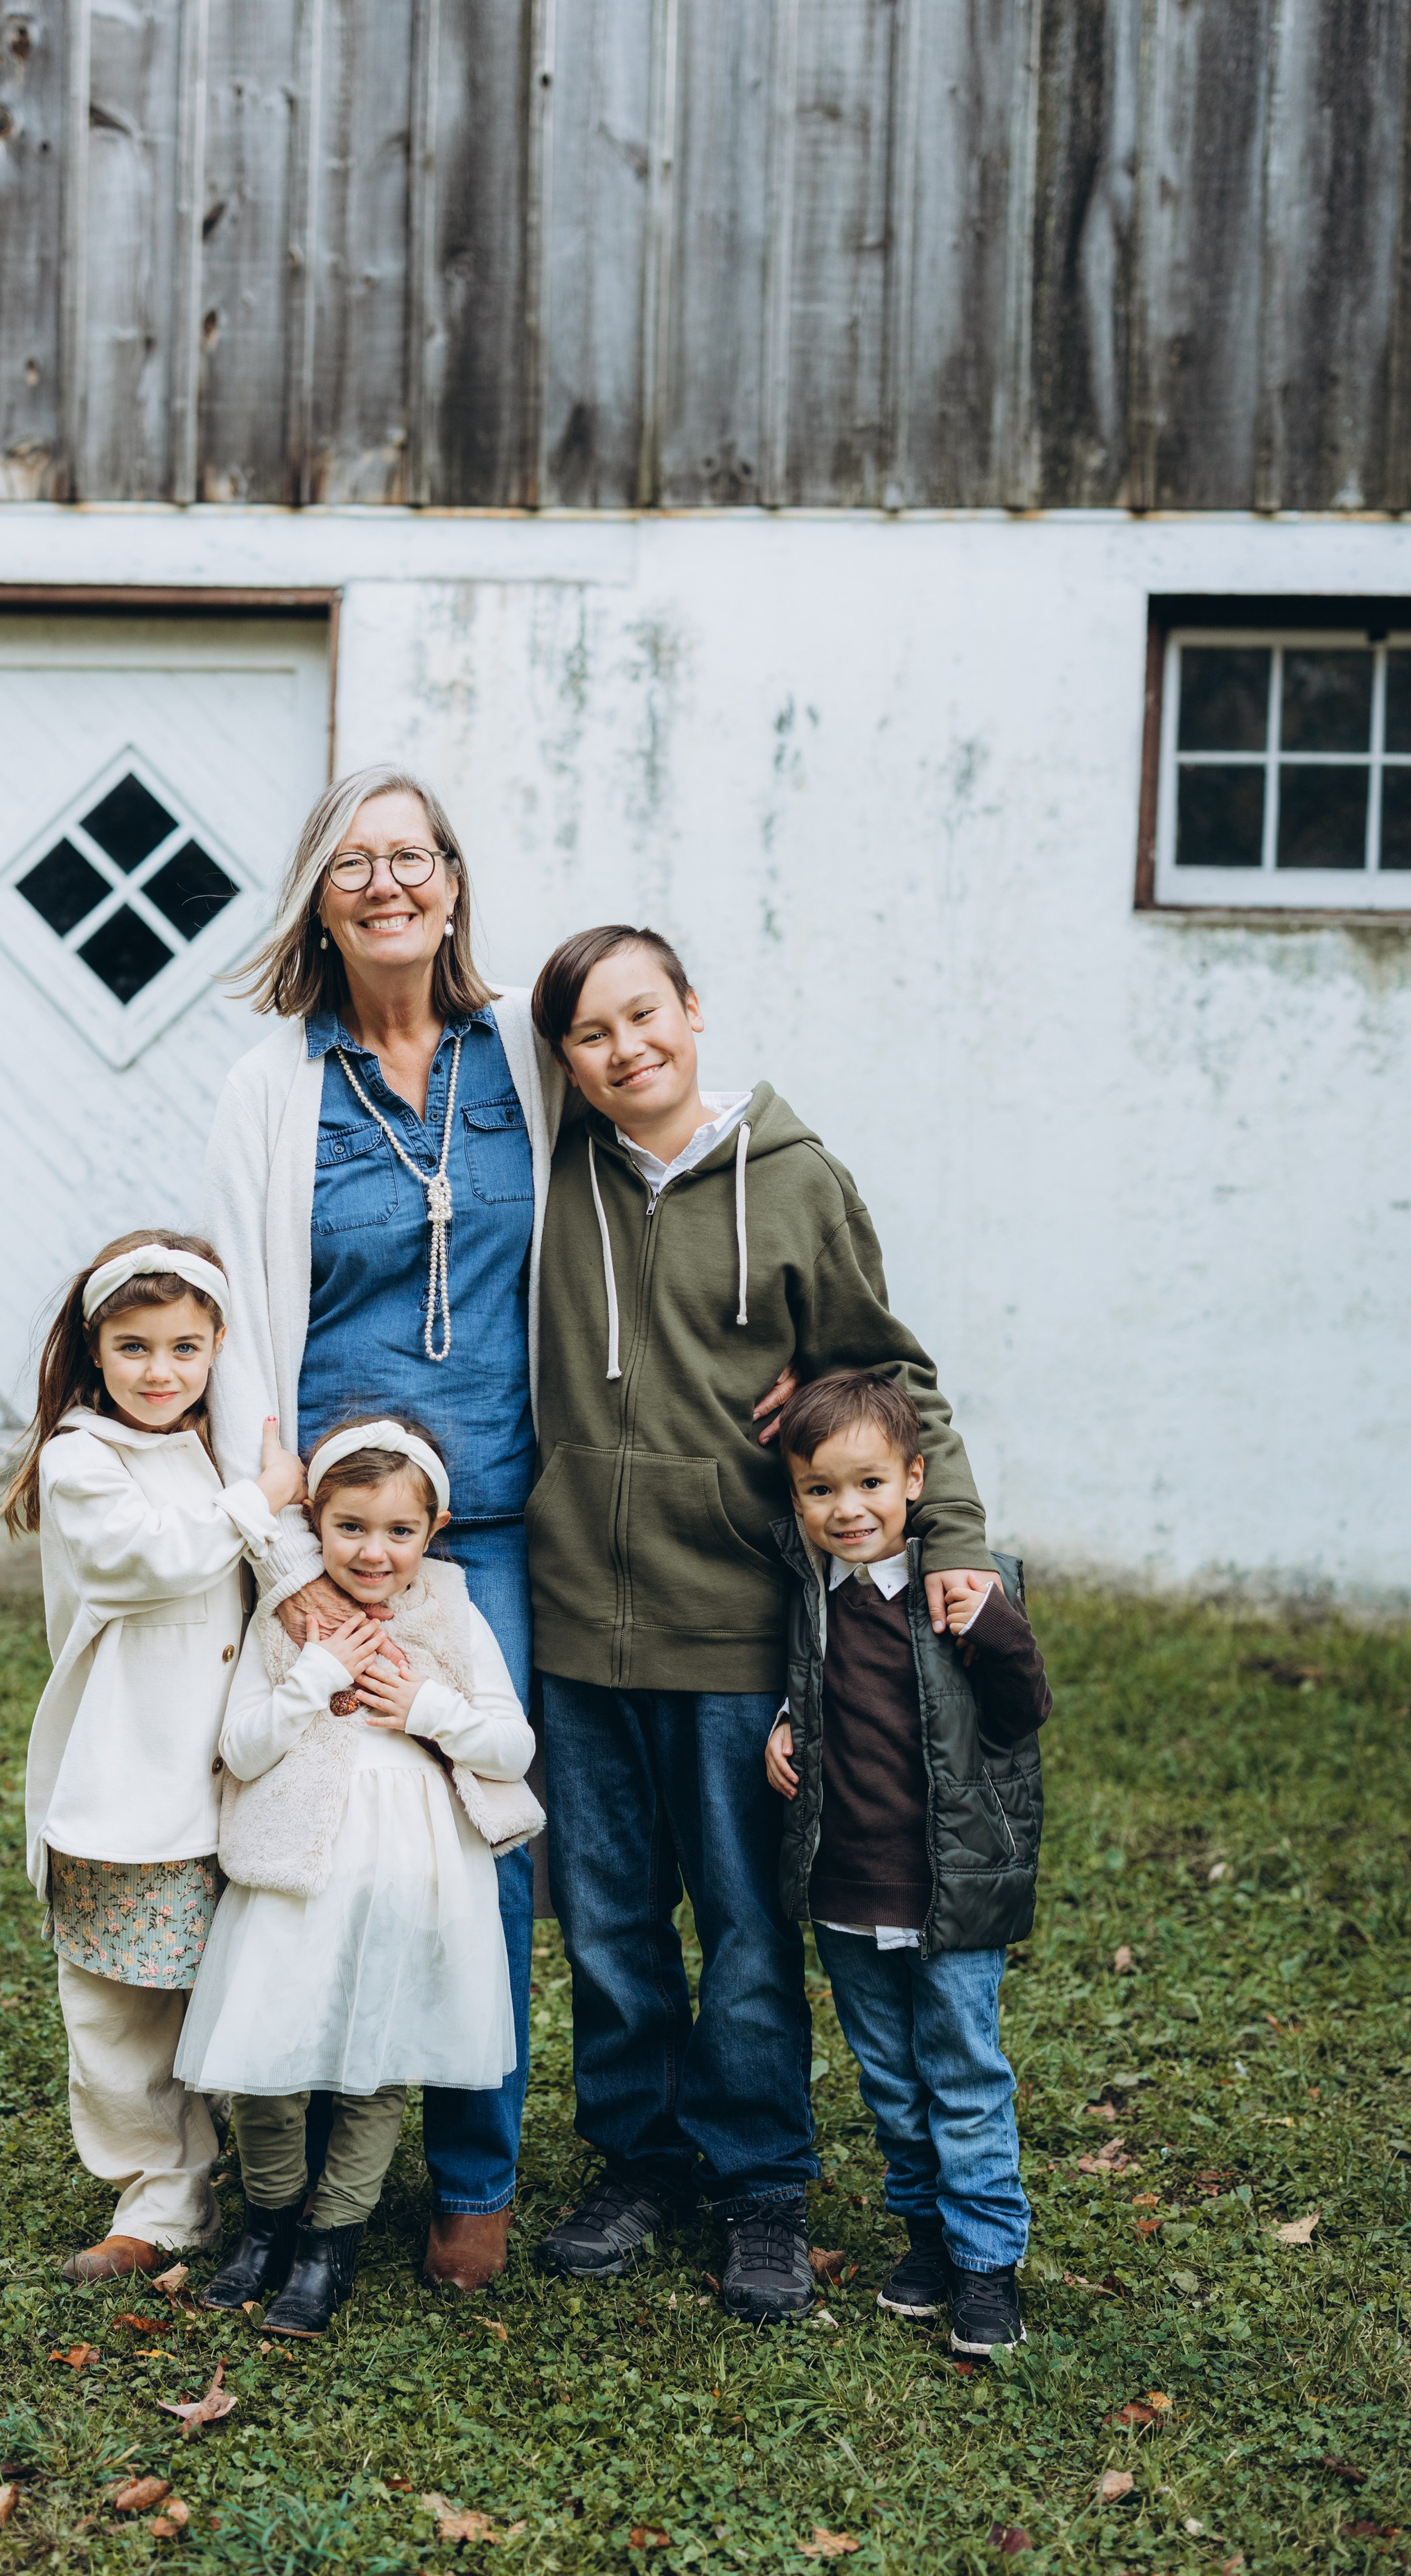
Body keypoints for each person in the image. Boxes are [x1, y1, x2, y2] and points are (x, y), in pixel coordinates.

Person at [526, 924, 1002, 2322]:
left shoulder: (795, 1186)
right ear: (563, 1063)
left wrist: (953, 1542)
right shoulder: (549, 1179)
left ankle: (759, 2184)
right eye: (591, 1035)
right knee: (609, 1924)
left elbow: (881, 1373)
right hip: (573, 1625)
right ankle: (637, 2156)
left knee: (742, 1926)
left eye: (643, 1014)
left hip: (733, 1620)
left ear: (690, 1009)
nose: (627, 1050)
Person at [201, 765, 562, 2292]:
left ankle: (468, 2177)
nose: (387, 883)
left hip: (489, 1526)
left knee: (481, 1842)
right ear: (315, 898)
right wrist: (285, 1571)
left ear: (455, 881)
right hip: (334, 1537)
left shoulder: (525, 1063)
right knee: (303, 1841)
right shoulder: (272, 1088)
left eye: (411, 856)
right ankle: (277, 2179)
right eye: (351, 863)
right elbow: (235, 1340)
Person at [176, 1417, 540, 2337]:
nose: (373, 1553)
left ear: (436, 1527)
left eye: (398, 1531)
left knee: (377, 2066)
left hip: (408, 1873)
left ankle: (331, 2243)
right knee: (268, 2059)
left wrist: (429, 1709)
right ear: (315, 1520)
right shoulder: (286, 1616)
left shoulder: (453, 1614)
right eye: (349, 1528)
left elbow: (513, 1743)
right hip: (297, 1869)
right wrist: (314, 1675)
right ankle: (268, 2226)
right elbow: (240, 1747)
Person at [4, 1230, 307, 2282]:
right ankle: (161, 2196)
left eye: (186, 1347)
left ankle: (278, 2175)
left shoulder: (216, 1447)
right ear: (96, 1352)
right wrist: (261, 1499)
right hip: (126, 1778)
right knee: (121, 2002)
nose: (161, 1372)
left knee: (232, 1983)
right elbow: (149, 1566)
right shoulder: (82, 1456)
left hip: (235, 1769)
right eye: (135, 1347)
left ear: (220, 1345)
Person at [764, 1370, 1051, 2355]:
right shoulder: (808, 1594)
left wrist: (996, 1629)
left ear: (915, 1479)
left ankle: (985, 2268)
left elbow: (1021, 1717)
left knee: (962, 2075)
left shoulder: (964, 1592)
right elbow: (810, 1689)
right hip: (847, 1886)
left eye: (870, 1485)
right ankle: (927, 2237)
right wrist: (782, 1727)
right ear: (795, 1497)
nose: (847, 1511)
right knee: (891, 2082)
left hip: (949, 1889)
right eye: (819, 1490)